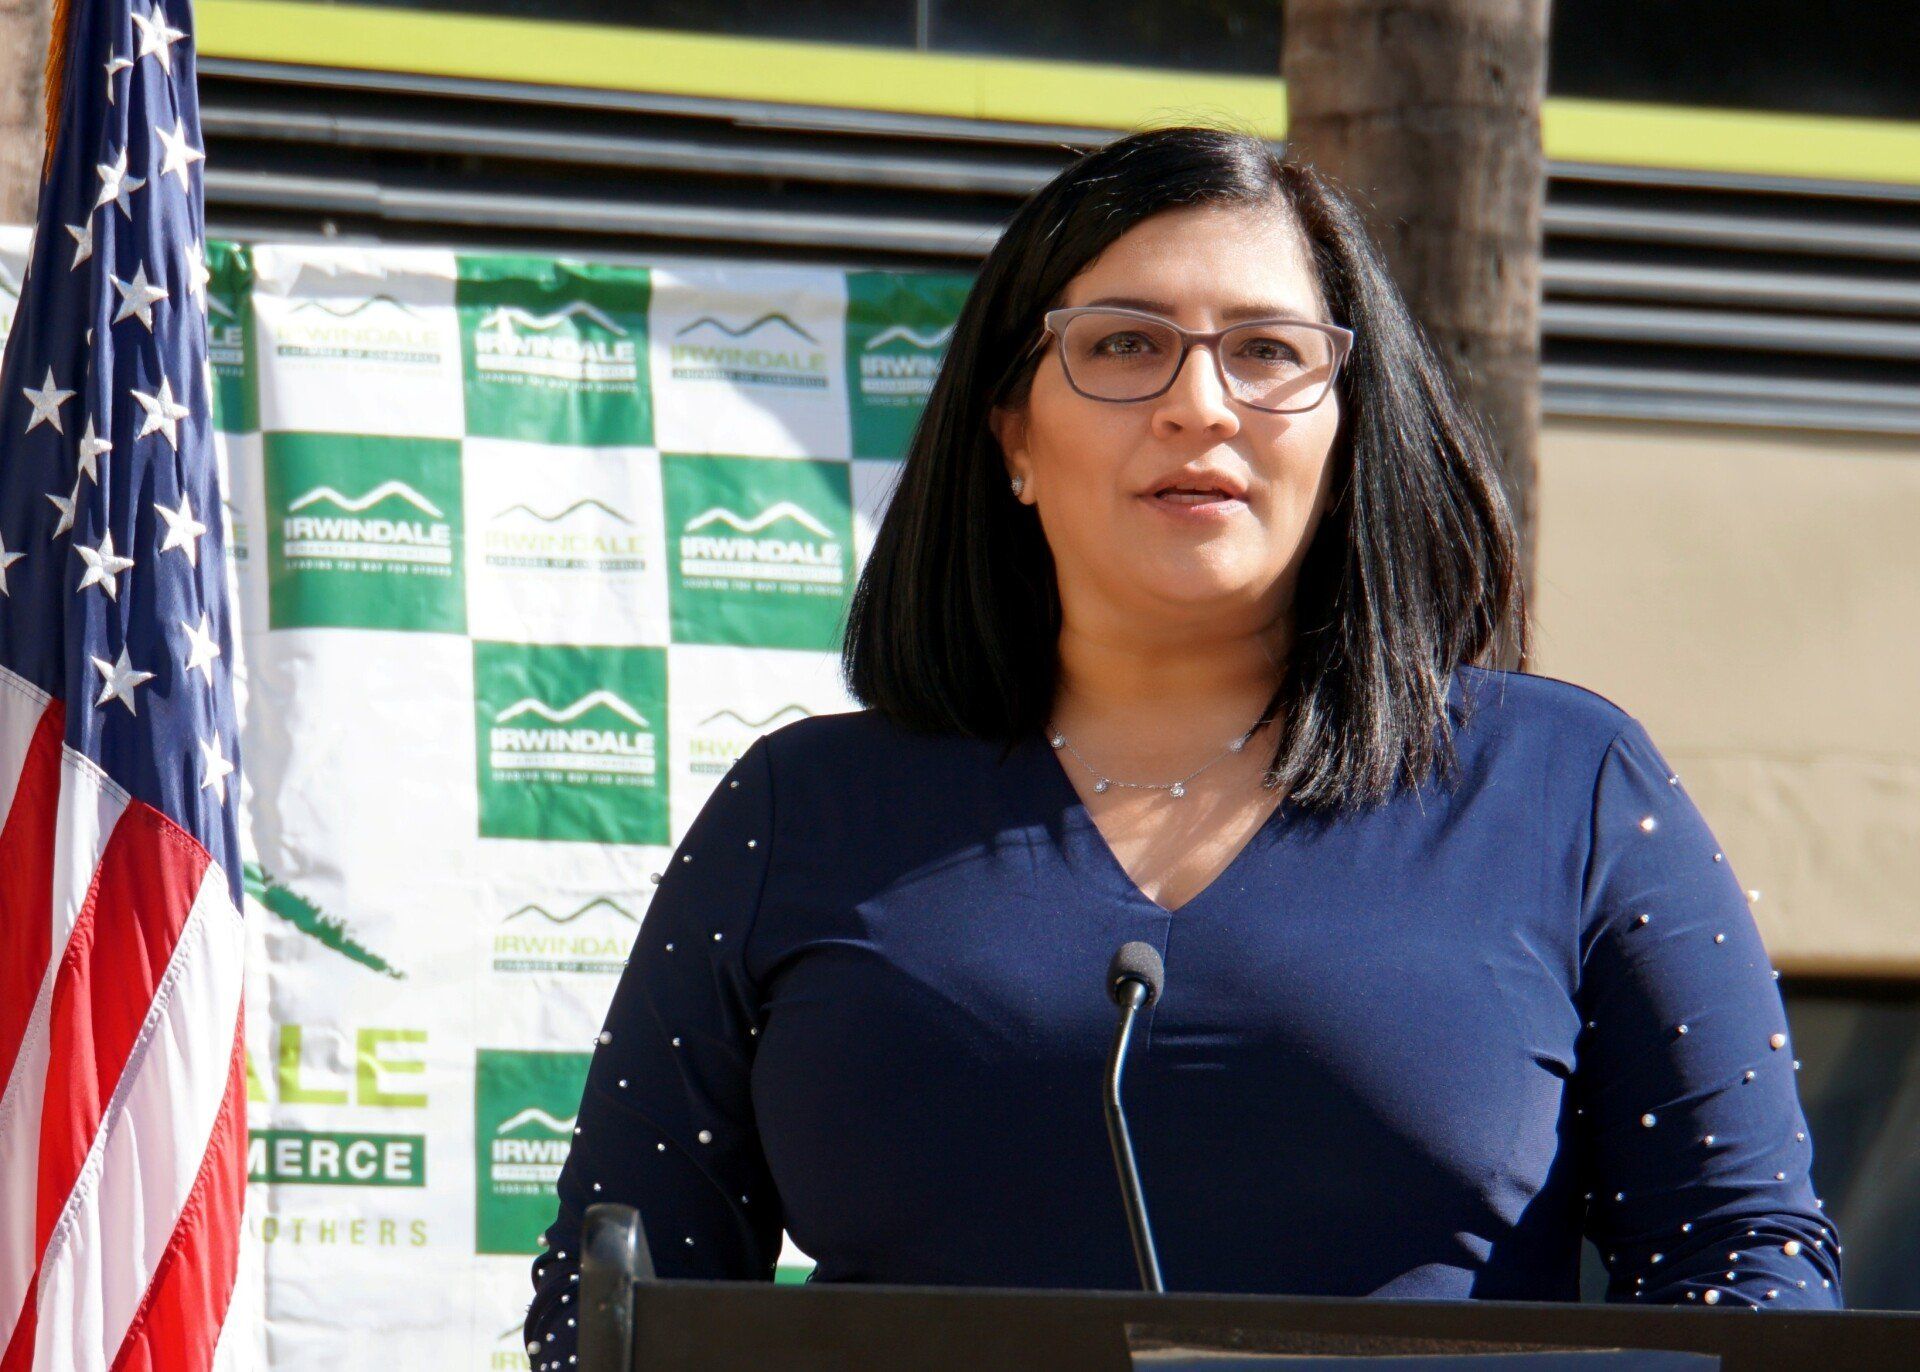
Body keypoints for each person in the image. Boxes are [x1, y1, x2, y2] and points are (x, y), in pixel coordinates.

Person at [521, 124, 1840, 1367]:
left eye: (1268, 352)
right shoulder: (799, 811)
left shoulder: (1568, 787)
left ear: (1346, 425)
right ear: (1013, 435)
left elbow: (1746, 1267)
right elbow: (614, 1302)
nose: (1200, 404)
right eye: (1125, 344)